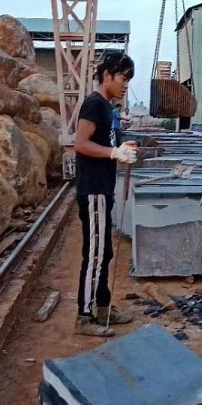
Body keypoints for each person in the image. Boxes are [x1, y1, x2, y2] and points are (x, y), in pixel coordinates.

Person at [74, 51, 138, 337]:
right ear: (108, 75)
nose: (126, 84)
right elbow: (81, 144)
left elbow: (103, 143)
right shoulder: (94, 104)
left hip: (103, 189)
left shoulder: (109, 108)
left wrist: (123, 147)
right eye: (123, 78)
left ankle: (102, 306)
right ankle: (85, 316)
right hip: (94, 191)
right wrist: (114, 152)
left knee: (105, 251)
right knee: (96, 254)